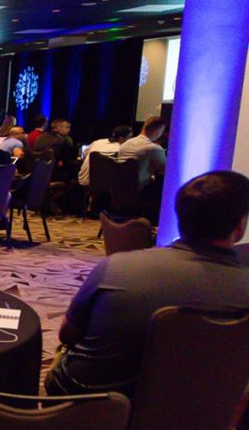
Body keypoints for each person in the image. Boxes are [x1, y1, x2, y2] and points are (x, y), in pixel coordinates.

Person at [47, 171, 249, 399]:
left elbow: (67, 334)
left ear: (180, 217)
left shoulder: (119, 267)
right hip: (189, 412)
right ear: (240, 226)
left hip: (89, 402)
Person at [117, 116, 167, 190]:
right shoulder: (153, 148)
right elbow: (167, 170)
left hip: (120, 190)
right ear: (158, 131)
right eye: (162, 131)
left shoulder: (125, 144)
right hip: (141, 192)